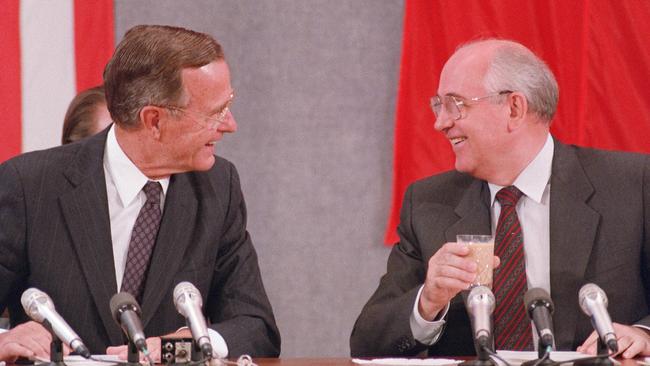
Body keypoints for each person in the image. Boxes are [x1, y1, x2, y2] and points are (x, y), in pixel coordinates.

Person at [350, 39, 650, 359]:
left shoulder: (631, 185)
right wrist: (427, 301)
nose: (441, 123)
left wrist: (643, 334)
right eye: (438, 105)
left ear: (514, 108)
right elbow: (367, 343)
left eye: (456, 104)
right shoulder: (428, 204)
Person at [0, 25, 280, 362]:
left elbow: (256, 327)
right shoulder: (30, 186)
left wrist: (185, 348)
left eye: (228, 105)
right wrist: (5, 339)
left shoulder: (219, 188)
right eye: (214, 112)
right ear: (154, 121)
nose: (230, 124)